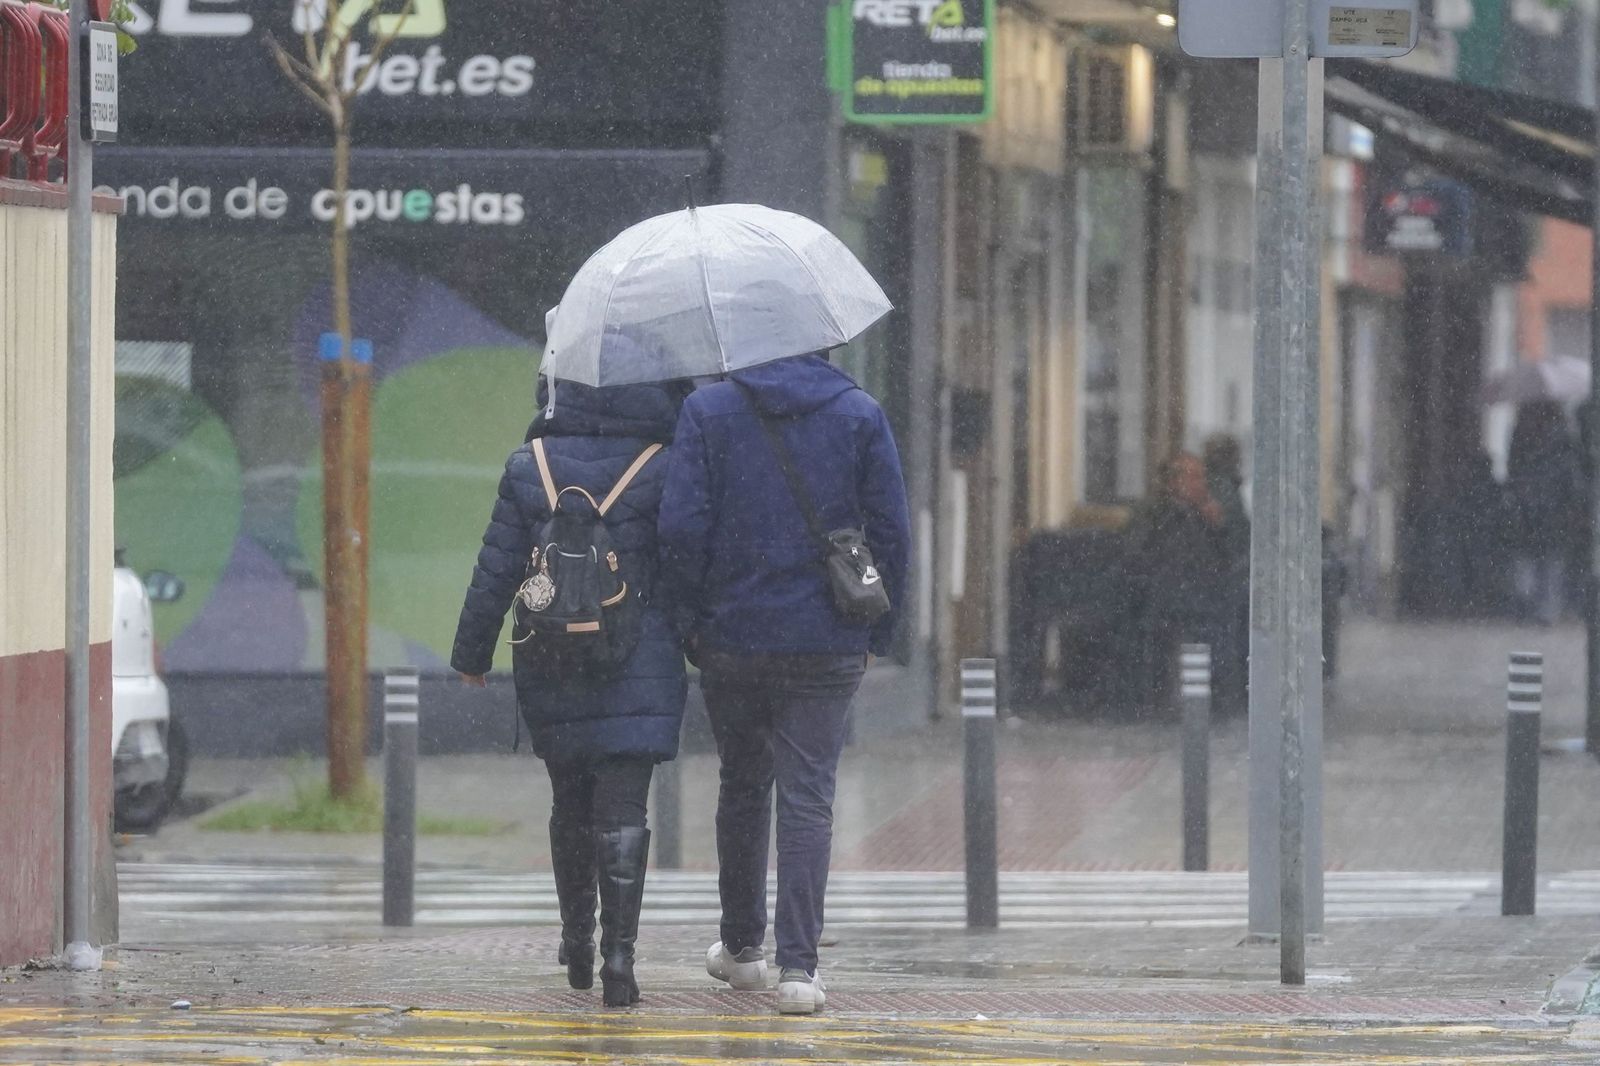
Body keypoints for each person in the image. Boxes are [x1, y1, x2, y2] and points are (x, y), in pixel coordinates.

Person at [657, 352, 910, 1015]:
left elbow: (679, 528)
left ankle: (743, 950)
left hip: (732, 636)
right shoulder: (858, 413)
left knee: (742, 783)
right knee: (808, 797)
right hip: (828, 636)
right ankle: (799, 968)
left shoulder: (707, 411)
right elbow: (892, 530)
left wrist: (689, 621)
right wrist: (880, 632)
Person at [451, 377, 690, 1007]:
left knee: (570, 804)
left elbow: (497, 566)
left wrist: (472, 652)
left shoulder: (530, 466)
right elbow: (687, 563)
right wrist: (700, 639)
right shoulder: (665, 465)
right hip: (639, 662)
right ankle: (620, 958)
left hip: (551, 660)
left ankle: (577, 939)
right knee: (624, 810)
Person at [1125, 452, 1236, 712]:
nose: (1201, 484)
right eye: (1194, 477)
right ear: (1174, 482)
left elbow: (1228, 556)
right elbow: (1137, 555)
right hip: (1164, 598)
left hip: (1204, 597)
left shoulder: (1207, 514)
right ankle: (1167, 699)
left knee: (1216, 630)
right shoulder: (1153, 513)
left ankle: (1214, 698)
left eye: (1202, 477)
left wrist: (1218, 526)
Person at [1507, 400, 1584, 626]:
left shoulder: (1525, 436)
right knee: (1549, 559)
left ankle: (1535, 608)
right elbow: (1571, 476)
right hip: (1549, 508)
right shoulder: (1563, 441)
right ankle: (1544, 610)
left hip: (1537, 508)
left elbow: (1514, 470)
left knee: (1538, 558)